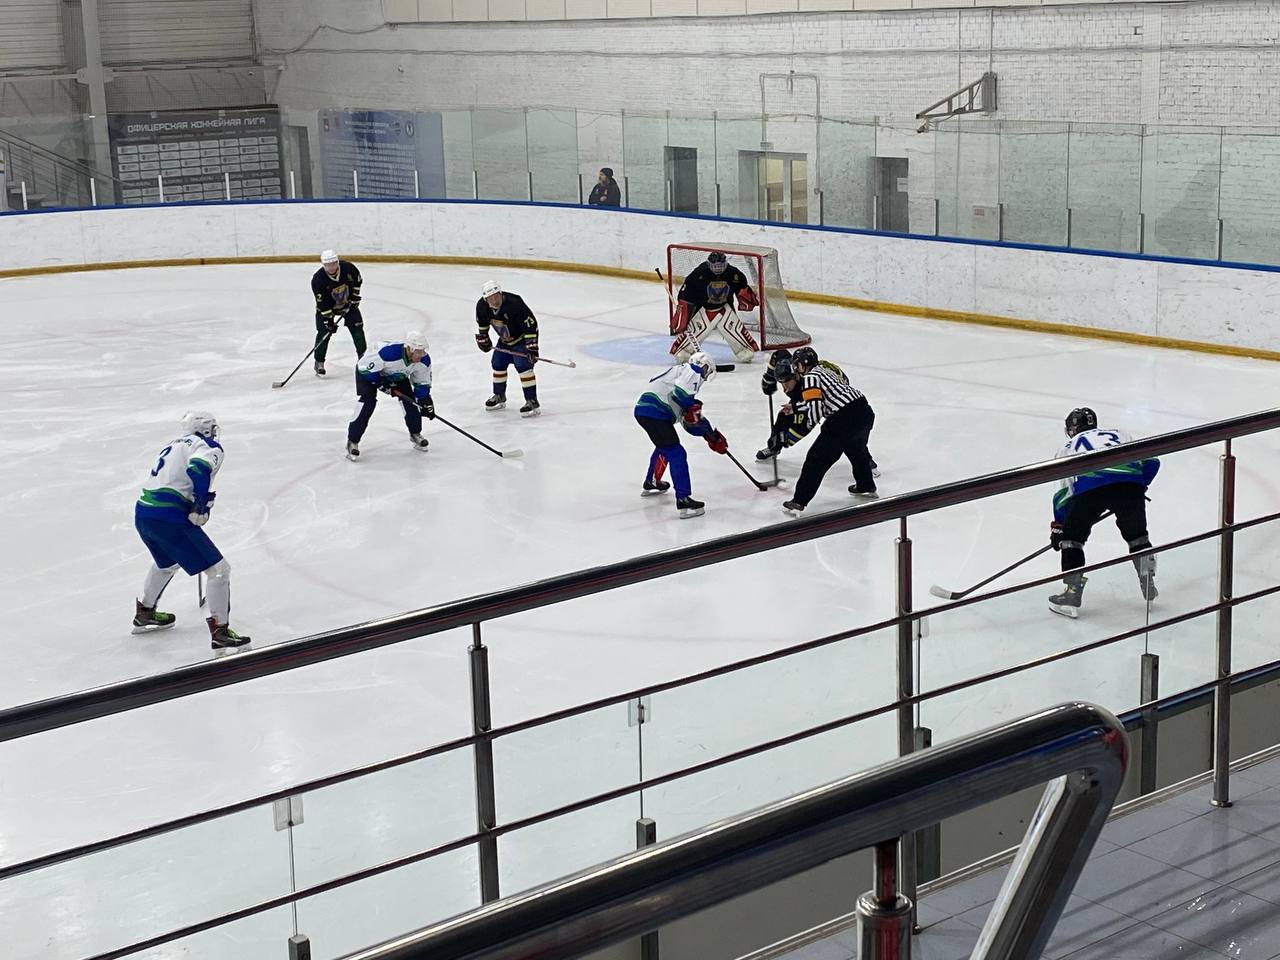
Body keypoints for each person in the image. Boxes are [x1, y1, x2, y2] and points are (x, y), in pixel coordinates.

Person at [133, 411, 250, 650]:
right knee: (219, 571)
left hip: (144, 514)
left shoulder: (173, 444)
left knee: (167, 563)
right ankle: (220, 632)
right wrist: (200, 505)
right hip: (169, 517)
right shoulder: (207, 446)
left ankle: (145, 612)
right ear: (205, 429)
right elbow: (198, 469)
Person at [1048, 407, 1160, 618]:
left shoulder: (1067, 447)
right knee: (1137, 536)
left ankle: (1072, 594)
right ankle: (1148, 581)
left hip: (1090, 488)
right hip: (1129, 485)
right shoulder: (1120, 433)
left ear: (1071, 430)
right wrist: (1138, 485)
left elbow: (1063, 493)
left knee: (1073, 539)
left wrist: (1060, 527)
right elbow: (1152, 461)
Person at [780, 348, 877, 515]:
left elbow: (816, 409)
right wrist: (795, 407)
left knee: (816, 459)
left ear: (803, 364)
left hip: (843, 419)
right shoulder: (825, 371)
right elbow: (827, 399)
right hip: (864, 412)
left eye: (797, 365)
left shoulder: (810, 378)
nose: (796, 369)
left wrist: (806, 426)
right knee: (857, 450)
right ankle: (866, 485)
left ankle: (799, 501)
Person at [634, 351, 728, 519]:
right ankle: (683, 500)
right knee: (676, 452)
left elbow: (688, 421)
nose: (706, 377)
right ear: (704, 366)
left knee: (664, 446)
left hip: (645, 411)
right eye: (707, 372)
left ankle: (652, 481)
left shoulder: (679, 373)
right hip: (655, 413)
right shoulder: (693, 371)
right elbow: (683, 397)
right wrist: (710, 434)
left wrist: (710, 435)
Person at [758, 348, 880, 474]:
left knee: (846, 432)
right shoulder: (802, 366)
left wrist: (788, 440)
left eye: (787, 382)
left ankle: (866, 461)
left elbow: (810, 420)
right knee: (785, 414)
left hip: (838, 399)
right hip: (841, 391)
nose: (785, 389)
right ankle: (774, 447)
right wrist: (769, 377)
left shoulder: (809, 380)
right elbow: (779, 354)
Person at [346, 332, 434, 460]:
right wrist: (383, 385)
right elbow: (364, 369)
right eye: (418, 352)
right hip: (369, 373)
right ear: (409, 349)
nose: (421, 355)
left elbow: (422, 383)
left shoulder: (424, 360)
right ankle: (352, 440)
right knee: (368, 402)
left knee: (411, 401)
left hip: (396, 375)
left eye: (423, 351)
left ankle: (415, 433)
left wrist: (424, 400)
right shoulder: (388, 354)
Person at [669, 251, 760, 364]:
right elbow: (686, 294)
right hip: (704, 309)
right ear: (709, 264)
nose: (718, 269)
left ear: (725, 263)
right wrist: (683, 310)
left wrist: (748, 295)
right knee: (683, 352)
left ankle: (743, 350)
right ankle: (684, 350)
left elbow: (742, 287)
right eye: (715, 266)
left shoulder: (733, 273)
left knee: (745, 350)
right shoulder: (699, 273)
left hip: (724, 308)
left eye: (720, 266)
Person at [475, 280, 541, 416]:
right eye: (490, 298)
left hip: (522, 339)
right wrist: (484, 338)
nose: (494, 300)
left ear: (501, 293)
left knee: (523, 366)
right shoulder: (482, 306)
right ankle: (499, 395)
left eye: (496, 296)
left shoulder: (514, 303)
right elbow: (483, 324)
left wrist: (532, 347)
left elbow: (530, 324)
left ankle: (532, 401)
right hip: (504, 340)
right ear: (485, 299)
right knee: (497, 363)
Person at [312, 249, 367, 377]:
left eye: (333, 264)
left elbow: (357, 281)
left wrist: (354, 297)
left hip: (347, 304)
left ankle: (364, 358)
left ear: (337, 262)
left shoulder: (349, 268)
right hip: (327, 308)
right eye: (327, 265)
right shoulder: (318, 279)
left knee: (357, 328)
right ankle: (319, 361)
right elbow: (322, 303)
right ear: (323, 265)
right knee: (324, 333)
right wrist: (328, 320)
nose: (331, 267)